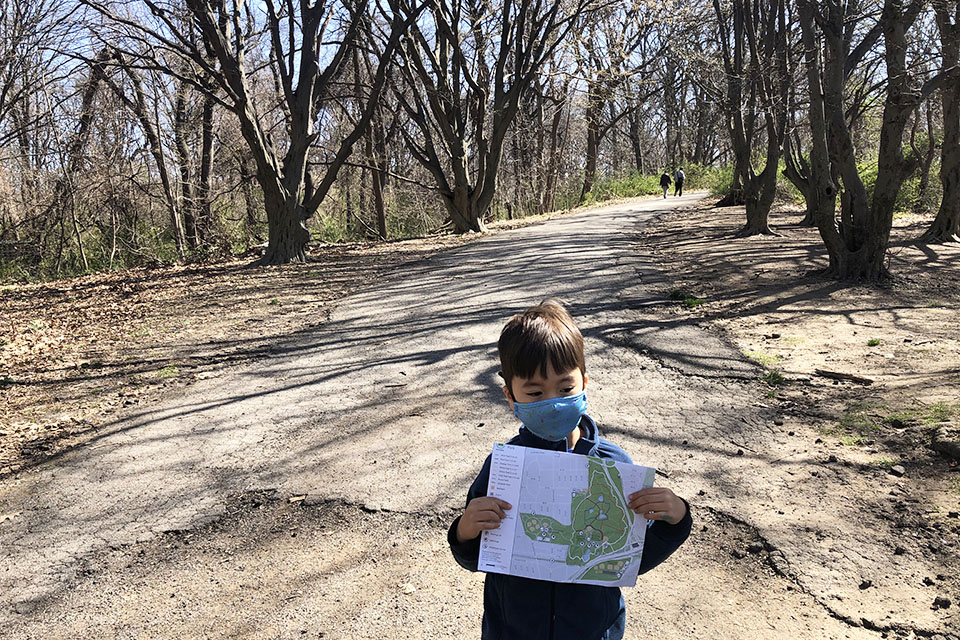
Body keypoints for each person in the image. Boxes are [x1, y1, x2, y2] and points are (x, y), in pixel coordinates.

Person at [447, 299, 692, 640]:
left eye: (565, 389)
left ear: (584, 383)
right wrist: (464, 532)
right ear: (510, 396)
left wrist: (676, 520)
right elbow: (480, 556)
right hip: (512, 632)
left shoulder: (613, 466)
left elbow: (630, 559)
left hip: (592, 631)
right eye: (534, 392)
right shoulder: (504, 468)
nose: (553, 401)